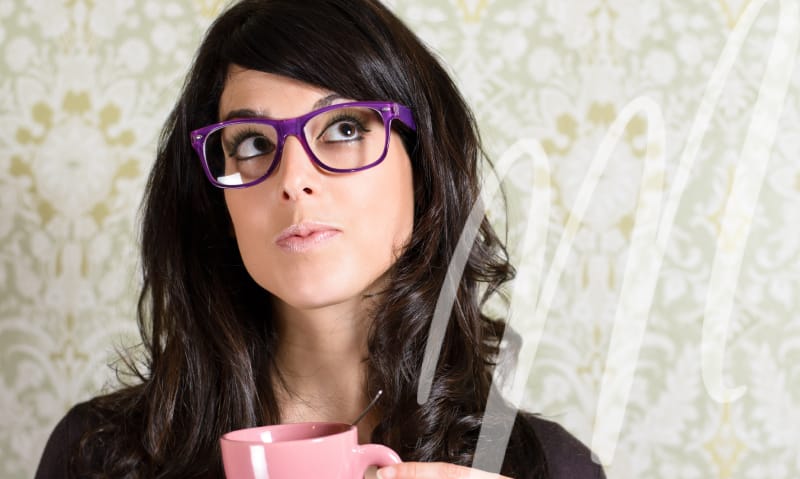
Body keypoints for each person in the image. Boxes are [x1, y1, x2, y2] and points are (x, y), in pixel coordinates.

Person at [35, 0, 605, 477]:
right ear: (217, 201)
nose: (294, 180)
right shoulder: (99, 455)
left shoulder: (545, 466)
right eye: (253, 143)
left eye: (345, 129)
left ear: (425, 163)